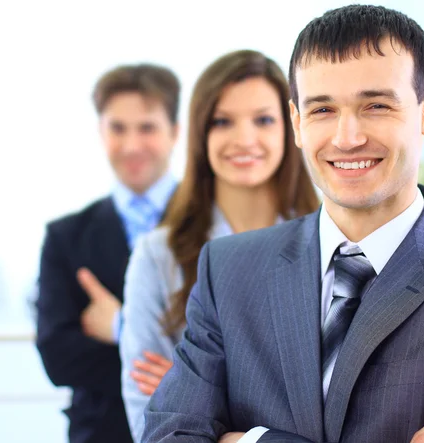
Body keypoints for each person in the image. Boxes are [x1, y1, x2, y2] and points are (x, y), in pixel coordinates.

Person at [143, 5, 424, 443]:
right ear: (297, 123)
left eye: (376, 105)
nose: (347, 138)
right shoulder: (229, 270)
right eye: (323, 109)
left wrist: (251, 440)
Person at [119, 49, 320, 442]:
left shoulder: (331, 242)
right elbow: (153, 424)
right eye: (222, 121)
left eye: (263, 120)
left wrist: (206, 409)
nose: (244, 139)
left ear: (292, 126)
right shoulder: (158, 257)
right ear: (200, 134)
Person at [35, 63, 180, 443]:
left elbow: (235, 347)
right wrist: (174, 361)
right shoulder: (65, 236)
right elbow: (58, 357)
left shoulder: (213, 223)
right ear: (101, 133)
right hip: (99, 432)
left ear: (175, 133)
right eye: (118, 128)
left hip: (198, 428)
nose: (132, 145)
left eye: (147, 128)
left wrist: (121, 327)